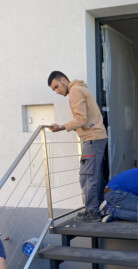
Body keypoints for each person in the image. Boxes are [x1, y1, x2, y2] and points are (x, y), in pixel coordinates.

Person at [48, 71, 108, 223]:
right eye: (53, 90)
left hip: (93, 138)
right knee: (92, 175)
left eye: (56, 86)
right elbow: (85, 119)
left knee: (87, 176)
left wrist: (61, 127)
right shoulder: (80, 89)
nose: (57, 91)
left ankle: (92, 211)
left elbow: (81, 119)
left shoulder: (74, 90)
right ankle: (95, 208)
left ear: (63, 80)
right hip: (95, 137)